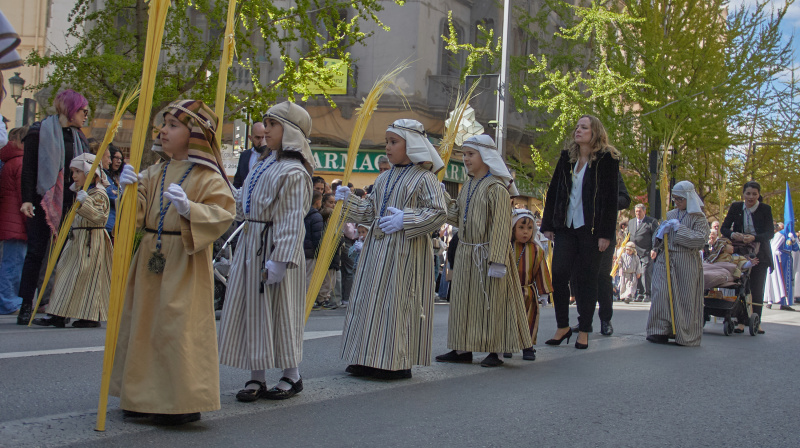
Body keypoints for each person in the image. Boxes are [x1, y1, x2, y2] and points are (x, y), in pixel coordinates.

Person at [110, 99, 236, 425]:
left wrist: (190, 210)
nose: (163, 130)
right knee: (144, 325)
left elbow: (224, 213)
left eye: (173, 125)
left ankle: (180, 400)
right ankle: (140, 396)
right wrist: (128, 191)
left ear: (193, 134)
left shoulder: (208, 176)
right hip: (152, 253)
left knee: (176, 326)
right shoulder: (155, 170)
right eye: (164, 124)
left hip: (184, 257)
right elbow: (135, 217)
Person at [218, 101, 313, 403]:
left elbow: (291, 217)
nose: (265, 130)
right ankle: (256, 375)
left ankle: (292, 374)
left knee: (281, 310)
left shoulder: (294, 171)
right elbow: (243, 202)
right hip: (250, 242)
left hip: (272, 246)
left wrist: (281, 259)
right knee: (252, 310)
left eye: (272, 124)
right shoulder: (261, 163)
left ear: (290, 130)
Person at [338, 118, 446, 379]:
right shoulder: (384, 177)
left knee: (397, 304)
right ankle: (366, 357)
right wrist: (348, 202)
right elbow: (370, 212)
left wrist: (405, 219)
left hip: (404, 252)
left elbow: (438, 213)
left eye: (393, 142)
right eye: (387, 141)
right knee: (369, 302)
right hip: (376, 252)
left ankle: (396, 360)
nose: (387, 147)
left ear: (412, 146)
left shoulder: (426, 178)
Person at [435, 134, 530, 367]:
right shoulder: (468, 185)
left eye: (470, 154)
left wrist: (497, 260)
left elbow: (500, 226)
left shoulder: (496, 188)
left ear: (486, 156)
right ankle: (462, 348)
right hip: (467, 253)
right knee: (464, 302)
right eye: (464, 154)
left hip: (488, 254)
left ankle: (495, 351)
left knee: (492, 302)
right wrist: (442, 197)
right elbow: (458, 217)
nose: (465, 159)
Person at [540, 115, 620, 350]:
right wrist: (548, 224)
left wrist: (606, 234)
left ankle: (584, 328)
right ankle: (562, 326)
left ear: (595, 132)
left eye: (584, 127)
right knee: (559, 274)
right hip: (566, 227)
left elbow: (610, 199)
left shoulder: (607, 159)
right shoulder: (567, 158)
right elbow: (554, 190)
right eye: (577, 127)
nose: (578, 130)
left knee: (587, 279)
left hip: (592, 230)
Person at [17, 89, 90, 325]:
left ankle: (58, 307)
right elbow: (28, 169)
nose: (86, 115)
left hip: (70, 202)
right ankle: (27, 304)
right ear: (70, 109)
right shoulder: (39, 133)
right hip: (43, 199)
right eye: (82, 110)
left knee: (63, 256)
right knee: (36, 252)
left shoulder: (79, 138)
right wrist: (27, 199)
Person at [32, 153, 111, 328]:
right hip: (77, 239)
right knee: (64, 274)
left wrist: (86, 203)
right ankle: (59, 314)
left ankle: (90, 316)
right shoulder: (83, 191)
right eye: (73, 172)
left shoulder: (98, 193)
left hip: (91, 240)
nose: (74, 176)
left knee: (88, 279)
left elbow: (100, 217)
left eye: (77, 171)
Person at [646, 181, 709, 346]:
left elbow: (701, 239)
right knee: (661, 293)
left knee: (684, 297)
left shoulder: (698, 217)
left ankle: (685, 332)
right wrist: (659, 235)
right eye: (674, 199)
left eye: (680, 199)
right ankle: (659, 329)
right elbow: (656, 240)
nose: (677, 202)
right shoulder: (670, 214)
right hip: (666, 258)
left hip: (686, 259)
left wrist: (679, 229)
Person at [571, 171, 630, 335]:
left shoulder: (610, 171)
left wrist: (604, 202)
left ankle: (605, 320)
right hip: (580, 230)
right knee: (580, 275)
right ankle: (584, 321)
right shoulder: (578, 167)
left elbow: (625, 199)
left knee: (602, 275)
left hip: (604, 231)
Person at [720, 181, 773, 333]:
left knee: (757, 287)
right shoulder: (736, 207)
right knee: (741, 286)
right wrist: (732, 234)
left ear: (758, 195)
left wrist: (754, 238)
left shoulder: (765, 209)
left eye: (754, 194)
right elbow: (724, 228)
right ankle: (741, 321)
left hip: (760, 253)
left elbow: (770, 233)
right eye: (748, 193)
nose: (751, 197)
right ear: (743, 194)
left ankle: (757, 320)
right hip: (740, 252)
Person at [504, 208, 552, 361]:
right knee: (508, 318)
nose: (525, 232)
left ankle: (528, 346)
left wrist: (544, 293)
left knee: (528, 319)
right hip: (508, 291)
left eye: (529, 228)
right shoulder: (506, 247)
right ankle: (507, 345)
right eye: (521, 227)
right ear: (512, 228)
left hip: (528, 293)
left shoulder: (537, 250)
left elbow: (541, 271)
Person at [0, 127, 28, 314]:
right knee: (14, 263)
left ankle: (9, 300)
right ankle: (9, 301)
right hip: (16, 220)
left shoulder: (10, 161)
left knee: (13, 261)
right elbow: (23, 195)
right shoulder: (20, 162)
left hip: (10, 219)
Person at [628, 203, 659, 302]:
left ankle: (647, 293)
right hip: (634, 253)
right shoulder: (631, 222)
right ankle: (639, 293)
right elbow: (628, 236)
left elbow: (656, 237)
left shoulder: (651, 222)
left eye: (639, 211)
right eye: (636, 211)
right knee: (637, 273)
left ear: (644, 211)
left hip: (646, 252)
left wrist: (654, 249)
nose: (638, 213)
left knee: (645, 272)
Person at [232, 121, 268, 189]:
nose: (261, 141)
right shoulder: (244, 156)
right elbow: (238, 182)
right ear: (250, 138)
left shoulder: (272, 155)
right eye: (257, 138)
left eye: (263, 137)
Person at [304, 191, 324, 288]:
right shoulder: (316, 216)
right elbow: (317, 237)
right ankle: (306, 301)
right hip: (311, 252)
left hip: (301, 250)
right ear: (317, 201)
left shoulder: (302, 212)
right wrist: (319, 250)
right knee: (308, 277)